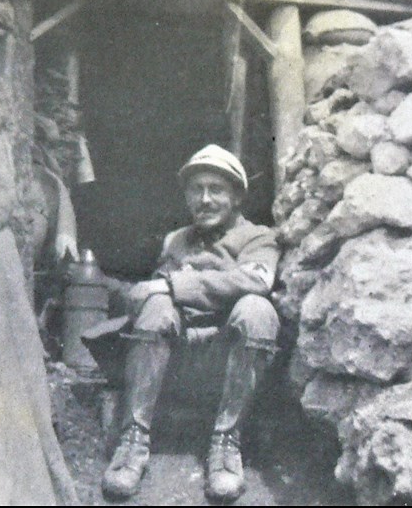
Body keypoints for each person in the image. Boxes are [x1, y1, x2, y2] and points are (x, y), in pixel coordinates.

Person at [99, 144, 281, 502]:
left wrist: (176, 284)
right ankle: (133, 440)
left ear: (237, 197)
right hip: (178, 355)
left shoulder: (259, 237)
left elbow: (255, 280)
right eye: (196, 190)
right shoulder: (176, 240)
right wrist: (156, 291)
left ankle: (226, 443)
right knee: (154, 305)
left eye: (216, 190)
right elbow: (153, 295)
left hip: (229, 353)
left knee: (257, 309)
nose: (205, 199)